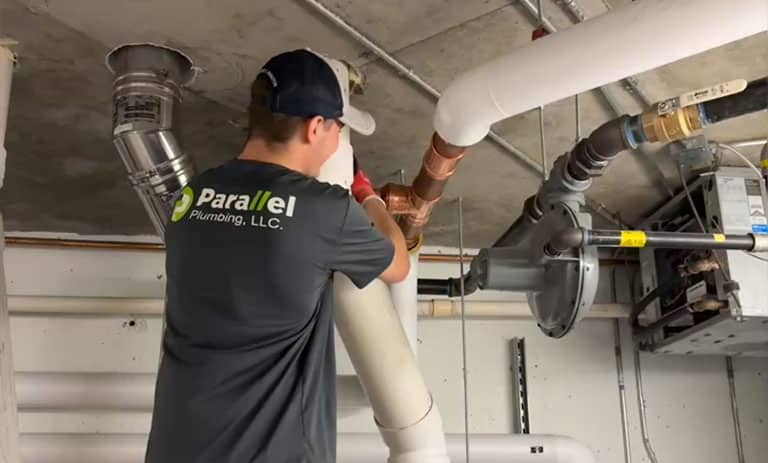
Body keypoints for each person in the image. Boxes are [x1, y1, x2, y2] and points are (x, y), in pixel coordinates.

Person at [145, 49, 410, 463]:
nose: (336, 142)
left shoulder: (191, 196)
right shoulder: (324, 210)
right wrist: (366, 194)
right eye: (337, 128)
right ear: (316, 127)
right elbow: (398, 264)